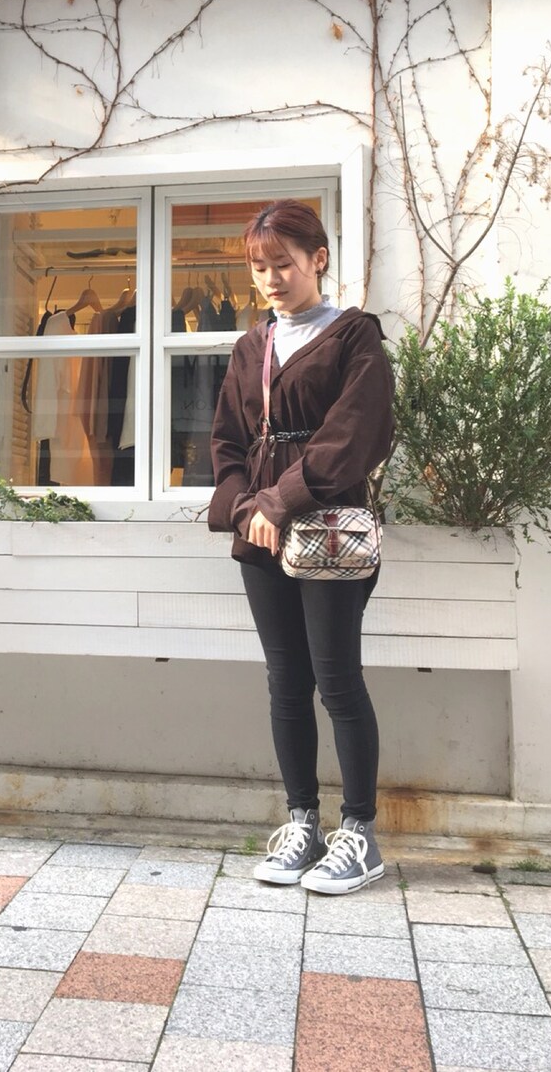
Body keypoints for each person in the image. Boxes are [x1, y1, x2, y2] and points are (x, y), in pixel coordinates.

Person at [208, 199, 394, 895]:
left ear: (318, 258)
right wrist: (244, 508)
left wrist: (279, 502)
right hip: (260, 533)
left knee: (337, 678)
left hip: (329, 529)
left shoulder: (353, 337)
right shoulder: (250, 347)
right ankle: (302, 824)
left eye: (282, 264)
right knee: (286, 680)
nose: (271, 279)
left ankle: (360, 835)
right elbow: (226, 443)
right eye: (259, 267)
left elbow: (354, 436)